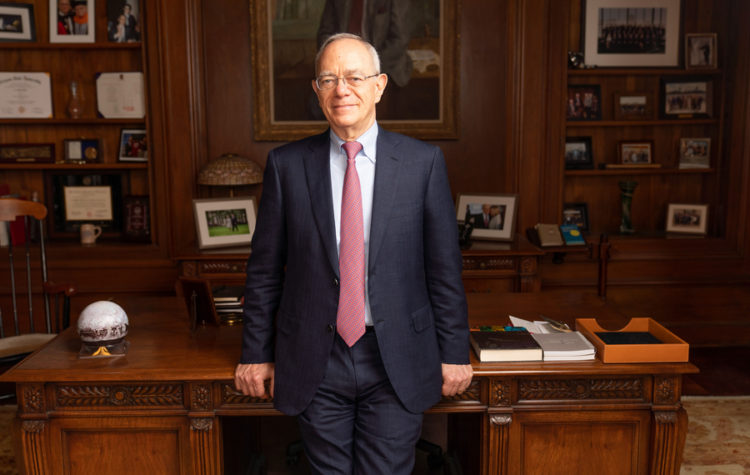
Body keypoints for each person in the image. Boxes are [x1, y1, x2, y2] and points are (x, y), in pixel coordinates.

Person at [234, 33, 472, 474]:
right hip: (315, 357)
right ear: (317, 91)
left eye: (354, 77)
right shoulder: (287, 166)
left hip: (396, 354)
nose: (342, 89)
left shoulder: (423, 163)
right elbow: (265, 271)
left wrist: (456, 351)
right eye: (328, 79)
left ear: (379, 85)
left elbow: (444, 270)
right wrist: (255, 352)